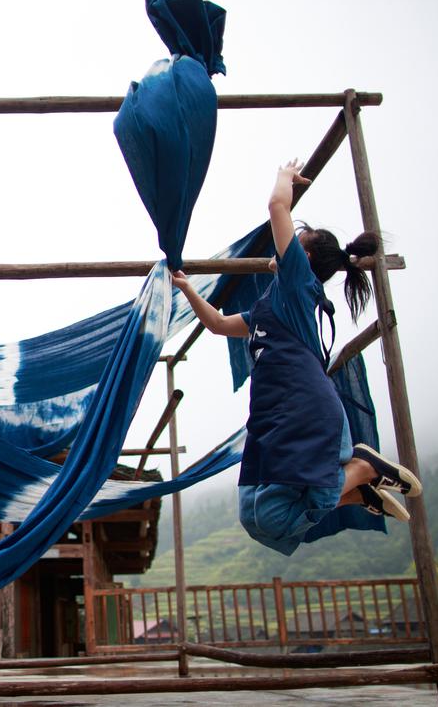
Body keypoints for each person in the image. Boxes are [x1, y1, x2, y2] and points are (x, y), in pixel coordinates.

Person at [171, 160, 422, 556]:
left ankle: (362, 469)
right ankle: (356, 494)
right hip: (270, 417)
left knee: (279, 516)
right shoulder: (269, 307)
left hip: (303, 410)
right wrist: (187, 290)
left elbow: (277, 207)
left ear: (301, 259)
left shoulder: (298, 288)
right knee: (255, 518)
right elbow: (218, 324)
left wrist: (284, 176)